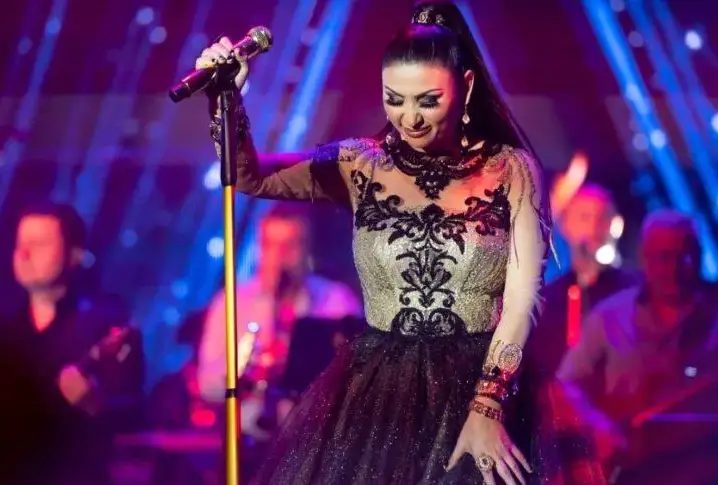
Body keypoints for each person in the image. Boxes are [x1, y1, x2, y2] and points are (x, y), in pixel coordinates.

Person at [195, 2, 604, 484]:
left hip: (484, 387)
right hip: (377, 398)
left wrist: (487, 406)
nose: (410, 118)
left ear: (466, 86)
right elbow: (249, 176)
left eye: (428, 101)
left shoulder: (512, 170)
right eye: (395, 99)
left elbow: (522, 299)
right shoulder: (359, 164)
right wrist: (227, 100)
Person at [556, 209, 718, 485]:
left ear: (698, 256)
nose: (676, 268)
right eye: (664, 257)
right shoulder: (609, 316)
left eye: (685, 255)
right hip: (631, 469)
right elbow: (566, 384)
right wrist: (599, 427)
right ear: (645, 259)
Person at [0, 202, 145, 485]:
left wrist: (93, 402)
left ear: (74, 255)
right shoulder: (7, 328)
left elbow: (134, 415)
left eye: (39, 244)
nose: (24, 254)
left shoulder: (106, 324)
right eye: (20, 244)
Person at [197, 203, 362, 439]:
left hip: (316, 439)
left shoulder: (337, 301)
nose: (279, 256)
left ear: (307, 249)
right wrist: (248, 369)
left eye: (290, 245)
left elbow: (362, 380)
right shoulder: (231, 301)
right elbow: (207, 384)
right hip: (249, 440)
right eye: (269, 245)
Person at [527, 183, 639, 379]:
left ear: (616, 225)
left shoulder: (635, 290)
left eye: (602, 217)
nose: (594, 227)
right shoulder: (547, 300)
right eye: (584, 217)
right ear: (565, 225)